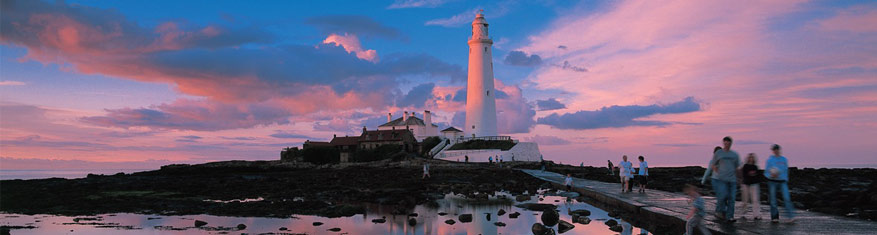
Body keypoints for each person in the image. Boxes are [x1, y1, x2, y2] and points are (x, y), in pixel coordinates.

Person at [708, 136, 740, 223]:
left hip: (732, 180)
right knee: (722, 196)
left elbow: (737, 167)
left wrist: (739, 178)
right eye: (725, 143)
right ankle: (720, 211)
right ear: (723, 143)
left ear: (731, 144)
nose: (727, 145)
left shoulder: (734, 154)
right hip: (722, 180)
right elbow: (713, 164)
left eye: (728, 143)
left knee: (732, 199)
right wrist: (718, 172)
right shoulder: (719, 153)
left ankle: (730, 216)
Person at [765, 144, 795, 223]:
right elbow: (766, 172)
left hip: (782, 182)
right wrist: (771, 175)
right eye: (774, 150)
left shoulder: (784, 159)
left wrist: (785, 179)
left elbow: (786, 170)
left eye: (777, 149)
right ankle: (775, 217)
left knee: (786, 198)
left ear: (779, 150)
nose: (776, 151)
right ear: (773, 151)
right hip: (772, 182)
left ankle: (790, 216)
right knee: (773, 200)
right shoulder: (770, 160)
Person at [740, 153, 762, 220]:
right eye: (750, 157)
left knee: (755, 200)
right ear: (748, 158)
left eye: (752, 157)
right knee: (745, 200)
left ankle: (756, 215)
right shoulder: (745, 166)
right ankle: (743, 213)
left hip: (754, 184)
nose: (751, 159)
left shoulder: (755, 167)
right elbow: (744, 175)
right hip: (746, 184)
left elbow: (758, 176)